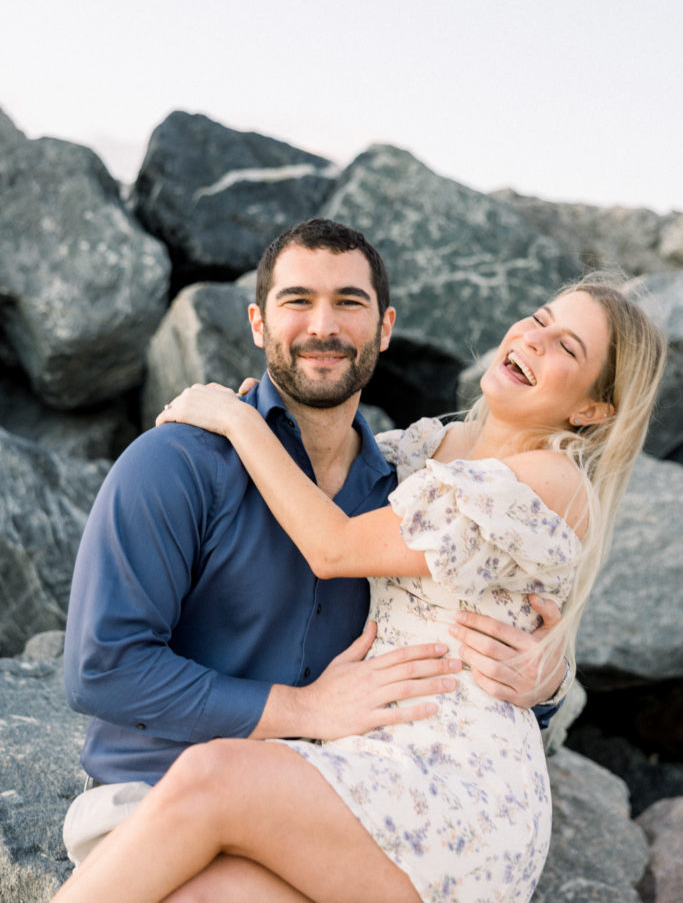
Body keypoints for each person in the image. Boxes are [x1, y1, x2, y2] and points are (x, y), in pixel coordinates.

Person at [52, 270, 667, 903]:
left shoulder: (549, 480)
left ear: (594, 409)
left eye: (568, 347)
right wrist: (260, 415)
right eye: (540, 319)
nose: (536, 340)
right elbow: (323, 459)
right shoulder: (425, 447)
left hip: (458, 789)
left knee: (213, 774)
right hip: (373, 762)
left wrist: (239, 423)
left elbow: (334, 545)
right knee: (211, 891)